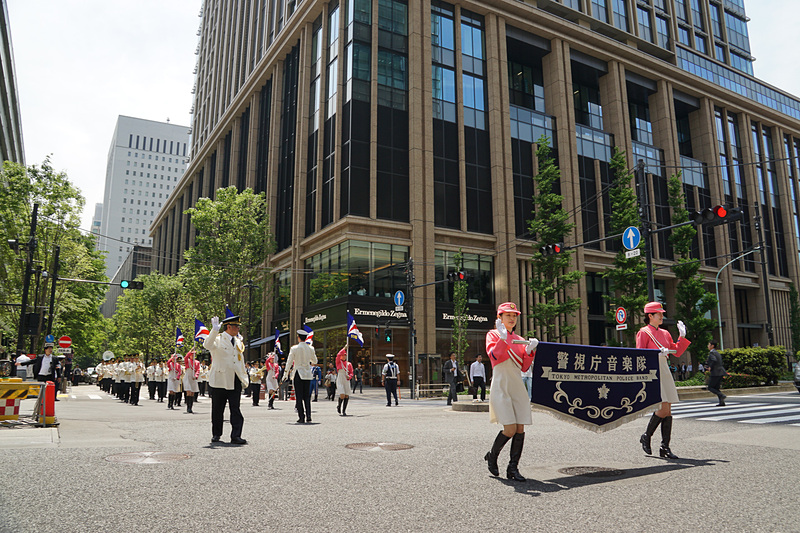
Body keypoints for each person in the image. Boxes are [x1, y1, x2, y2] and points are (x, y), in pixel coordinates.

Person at [484, 302, 538, 482]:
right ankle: (492, 456)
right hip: (501, 384)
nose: (512, 318)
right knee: (510, 428)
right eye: (508, 315)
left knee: (520, 427)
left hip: (516, 384)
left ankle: (513, 468)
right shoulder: (493, 335)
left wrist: (530, 351)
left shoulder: (520, 338)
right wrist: (502, 337)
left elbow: (524, 366)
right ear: (499, 317)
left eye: (514, 315)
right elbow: (495, 357)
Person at [637, 301, 690, 460]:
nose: (662, 315)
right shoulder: (644, 332)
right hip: (653, 370)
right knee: (663, 409)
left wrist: (682, 337)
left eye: (661, 313)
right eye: (658, 313)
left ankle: (663, 446)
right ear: (650, 316)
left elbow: (677, 352)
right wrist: (655, 354)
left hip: (664, 369)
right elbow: (639, 355)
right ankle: (649, 437)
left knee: (668, 410)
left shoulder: (666, 333)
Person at [204, 314, 250, 445]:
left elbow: (239, 360)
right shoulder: (218, 339)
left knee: (235, 408)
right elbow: (207, 345)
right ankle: (216, 434)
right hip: (220, 378)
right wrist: (214, 330)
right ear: (228, 327)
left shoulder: (238, 341)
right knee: (218, 409)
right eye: (236, 326)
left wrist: (244, 377)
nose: (238, 329)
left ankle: (236, 435)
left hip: (234, 378)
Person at [283, 329, 317, 423]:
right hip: (307, 373)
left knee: (299, 396)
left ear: (298, 338)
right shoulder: (311, 348)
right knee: (307, 396)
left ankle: (301, 416)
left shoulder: (294, 348)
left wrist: (285, 374)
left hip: (298, 373)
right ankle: (309, 416)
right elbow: (315, 361)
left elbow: (289, 362)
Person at [705, 342, 727, 406]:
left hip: (715, 372)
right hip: (721, 371)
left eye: (709, 345)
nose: (708, 346)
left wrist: (710, 367)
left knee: (710, 387)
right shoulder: (717, 353)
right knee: (716, 388)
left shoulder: (712, 353)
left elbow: (713, 360)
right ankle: (721, 402)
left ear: (712, 346)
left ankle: (721, 395)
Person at [335, 344, 354, 416]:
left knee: (346, 395)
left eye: (345, 355)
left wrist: (350, 376)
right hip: (340, 378)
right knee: (342, 395)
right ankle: (339, 406)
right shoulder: (338, 362)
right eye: (342, 355)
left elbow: (351, 372)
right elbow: (338, 355)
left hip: (346, 379)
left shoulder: (348, 364)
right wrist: (344, 348)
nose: (343, 356)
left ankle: (344, 410)